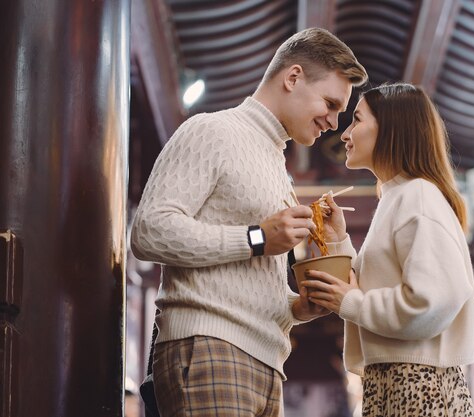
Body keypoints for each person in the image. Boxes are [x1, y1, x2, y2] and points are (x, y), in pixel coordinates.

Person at [130, 28, 367, 417]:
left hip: (265, 361)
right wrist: (257, 237)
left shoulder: (277, 165)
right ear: (292, 78)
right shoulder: (212, 130)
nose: (334, 121)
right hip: (211, 347)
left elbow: (244, 278)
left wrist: (296, 308)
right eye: (330, 102)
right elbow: (149, 231)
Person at [301, 83, 474, 416]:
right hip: (399, 381)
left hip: (417, 383)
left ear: (390, 129)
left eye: (357, 120)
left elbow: (434, 298)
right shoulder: (399, 196)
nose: (345, 134)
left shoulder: (417, 196)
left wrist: (351, 303)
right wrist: (339, 240)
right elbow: (385, 285)